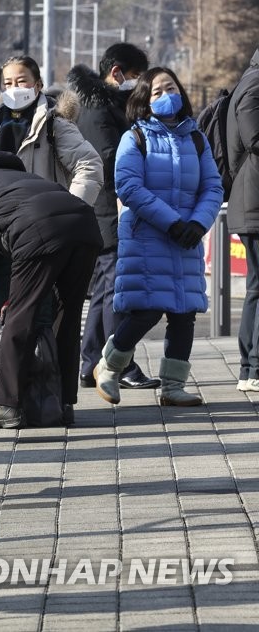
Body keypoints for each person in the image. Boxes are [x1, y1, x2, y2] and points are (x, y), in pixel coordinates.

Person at [94, 67, 223, 406]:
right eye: (157, 92)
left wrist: (198, 223)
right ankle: (109, 365)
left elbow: (212, 186)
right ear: (145, 102)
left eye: (171, 88)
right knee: (146, 309)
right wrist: (172, 222)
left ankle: (173, 387)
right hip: (148, 237)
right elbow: (129, 187)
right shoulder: (134, 138)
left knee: (184, 312)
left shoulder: (196, 138)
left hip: (187, 239)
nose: (167, 95)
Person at [0, 152, 102, 429]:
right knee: (67, 316)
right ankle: (64, 402)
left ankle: (6, 405)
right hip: (86, 226)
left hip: (38, 229)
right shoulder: (26, 179)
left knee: (20, 317)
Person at [67, 43, 160, 392]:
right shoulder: (99, 110)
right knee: (115, 291)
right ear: (117, 73)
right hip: (107, 209)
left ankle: (91, 362)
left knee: (105, 291)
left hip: (102, 210)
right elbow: (110, 160)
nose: (139, 86)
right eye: (136, 78)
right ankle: (118, 363)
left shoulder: (101, 103)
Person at [0, 55, 103, 317]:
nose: (14, 88)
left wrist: (70, 213)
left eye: (22, 81)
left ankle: (40, 358)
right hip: (0, 237)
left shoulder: (53, 124)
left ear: (38, 84)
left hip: (41, 234)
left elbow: (89, 165)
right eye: (8, 83)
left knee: (39, 313)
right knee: (1, 312)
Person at [228, 48, 259, 392]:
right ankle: (252, 368)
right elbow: (253, 138)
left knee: (256, 287)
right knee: (257, 288)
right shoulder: (254, 86)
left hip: (252, 202)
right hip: (254, 204)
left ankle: (250, 368)